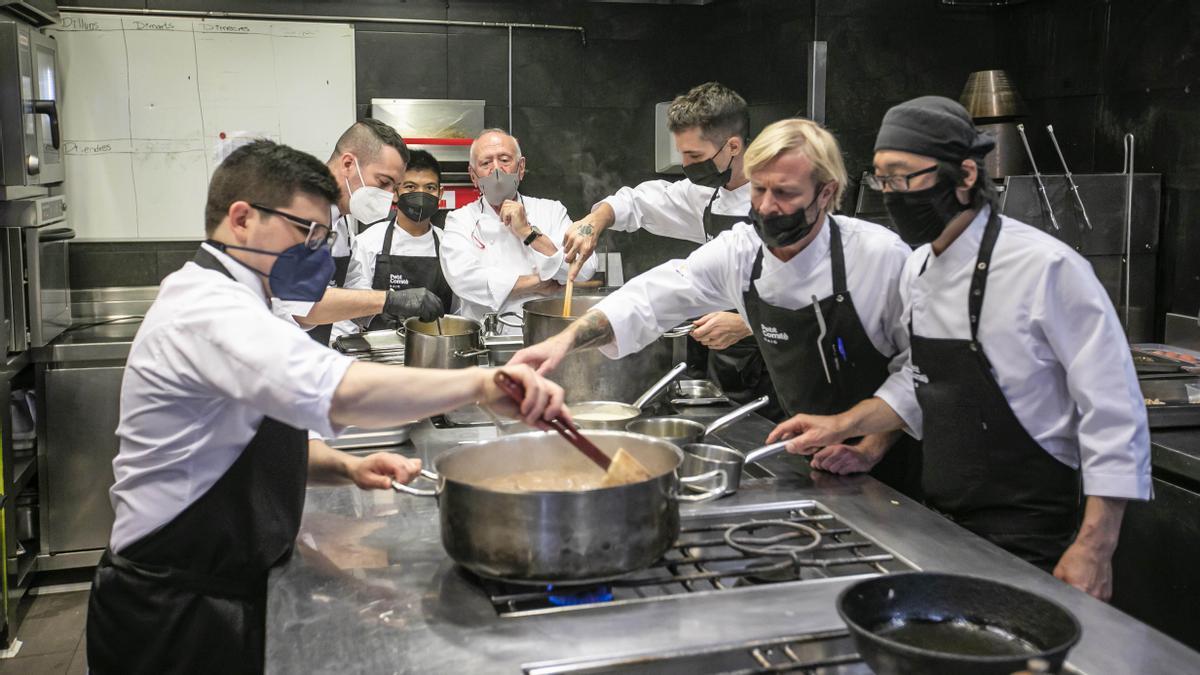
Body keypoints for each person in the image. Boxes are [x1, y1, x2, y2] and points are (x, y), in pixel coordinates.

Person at [86, 140, 567, 674]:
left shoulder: (249, 302)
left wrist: (347, 467)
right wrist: (480, 384)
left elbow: (235, 446)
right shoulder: (207, 310)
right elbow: (341, 391)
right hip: (172, 608)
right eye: (304, 232)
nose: (316, 249)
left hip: (226, 585)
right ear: (242, 219)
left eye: (322, 235)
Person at [767, 96, 1151, 599]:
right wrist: (861, 439)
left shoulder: (1045, 269)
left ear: (965, 175)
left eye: (904, 178)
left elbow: (1114, 412)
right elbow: (924, 382)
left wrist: (1095, 547)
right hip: (942, 521)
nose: (892, 194)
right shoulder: (919, 267)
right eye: (882, 179)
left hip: (1030, 534)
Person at [510, 118, 920, 497]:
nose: (766, 206)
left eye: (786, 193)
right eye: (759, 189)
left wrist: (868, 444)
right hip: (810, 449)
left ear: (827, 192)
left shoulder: (879, 257)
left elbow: (922, 371)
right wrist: (562, 343)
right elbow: (649, 298)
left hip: (893, 464)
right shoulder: (742, 252)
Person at [561, 82, 776, 416]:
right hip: (725, 364)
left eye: (695, 156)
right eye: (682, 154)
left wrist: (747, 323)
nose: (686, 165)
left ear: (733, 146)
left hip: (776, 363)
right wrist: (594, 221)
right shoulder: (707, 194)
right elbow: (640, 202)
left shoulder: (783, 201)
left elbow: (815, 295)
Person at [277, 119, 445, 344]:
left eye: (393, 186)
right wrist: (390, 300)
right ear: (348, 164)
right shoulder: (298, 210)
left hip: (308, 348)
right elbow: (304, 305)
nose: (388, 195)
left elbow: (352, 286)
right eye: (383, 182)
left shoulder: (340, 222)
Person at [439, 129, 596, 333]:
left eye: (504, 160)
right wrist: (537, 283)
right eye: (486, 163)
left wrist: (529, 233)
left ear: (521, 168)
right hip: (485, 342)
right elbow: (463, 280)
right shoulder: (460, 220)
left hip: (546, 336)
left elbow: (584, 269)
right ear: (473, 176)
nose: (496, 170)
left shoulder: (551, 211)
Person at [340, 149, 454, 335]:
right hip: (380, 351)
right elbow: (349, 308)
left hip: (436, 349)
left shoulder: (449, 245)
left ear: (440, 195)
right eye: (410, 187)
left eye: (430, 188)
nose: (420, 194)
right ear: (394, 192)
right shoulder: (368, 243)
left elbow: (458, 309)